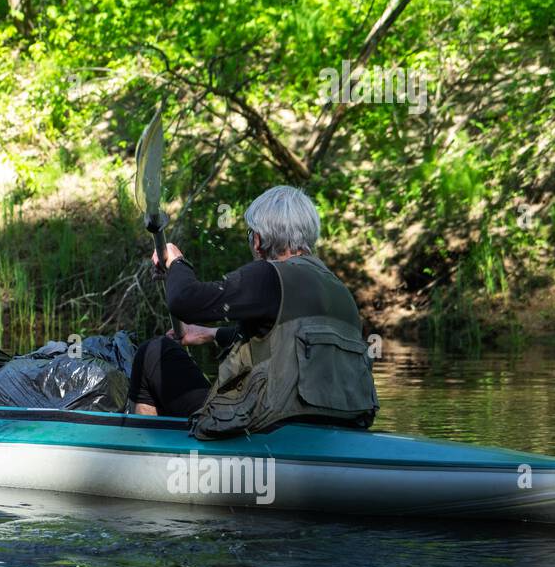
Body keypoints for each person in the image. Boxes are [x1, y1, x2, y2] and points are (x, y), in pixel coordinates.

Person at [129, 185, 379, 439]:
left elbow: (184, 301)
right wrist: (212, 333)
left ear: (258, 240)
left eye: (251, 235)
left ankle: (143, 451)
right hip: (341, 431)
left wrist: (175, 262)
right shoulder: (339, 290)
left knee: (154, 352)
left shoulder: (268, 275)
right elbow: (288, 342)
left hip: (269, 427)